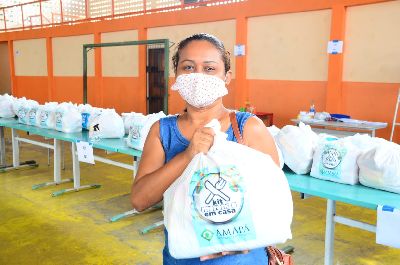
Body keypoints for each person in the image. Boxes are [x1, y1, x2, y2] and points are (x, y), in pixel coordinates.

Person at [131, 33, 279, 264]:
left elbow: (273, 197)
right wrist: (189, 155)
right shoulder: (162, 131)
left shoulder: (248, 128)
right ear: (177, 75)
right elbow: (140, 200)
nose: (198, 76)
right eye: (188, 67)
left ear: (226, 76)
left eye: (209, 69)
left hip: (242, 258)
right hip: (183, 256)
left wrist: (234, 240)